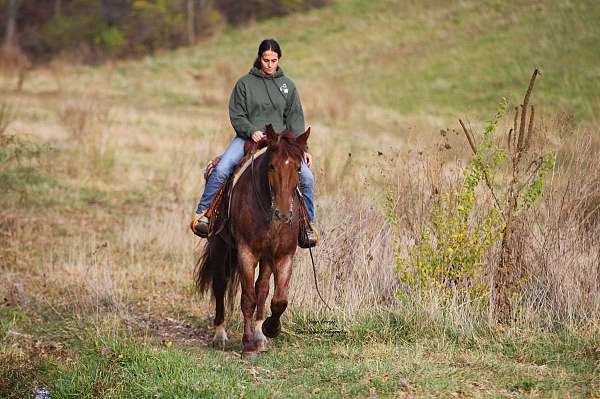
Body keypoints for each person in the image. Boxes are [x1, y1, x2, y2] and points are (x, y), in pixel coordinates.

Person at [190, 38, 318, 247]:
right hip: (248, 138)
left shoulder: (288, 86)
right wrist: (251, 131)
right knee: (222, 169)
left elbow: (295, 119)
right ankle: (204, 213)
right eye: (266, 59)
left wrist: (302, 149)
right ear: (259, 59)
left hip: (281, 143)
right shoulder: (244, 84)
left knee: (308, 178)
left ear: (279, 59)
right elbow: (237, 114)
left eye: (274, 60)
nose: (269, 64)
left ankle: (307, 225)